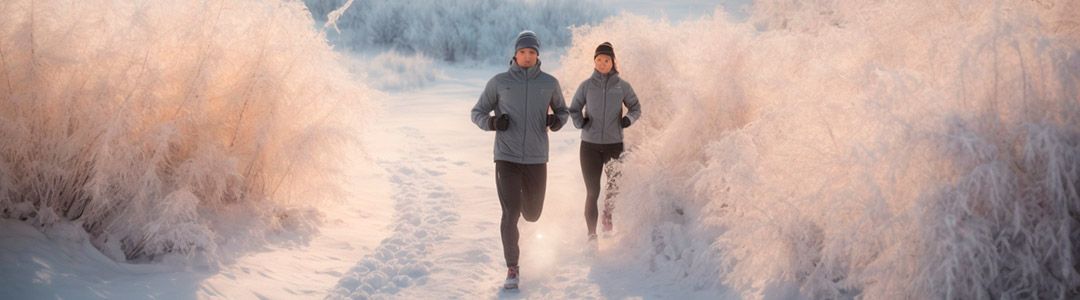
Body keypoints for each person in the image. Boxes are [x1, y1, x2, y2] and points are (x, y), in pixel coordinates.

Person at [470, 30, 569, 290]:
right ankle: (512, 267)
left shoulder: (549, 83)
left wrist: (556, 121)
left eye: (532, 53)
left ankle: (523, 218)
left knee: (533, 214)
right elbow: (477, 112)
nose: (527, 57)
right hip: (507, 157)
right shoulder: (499, 82)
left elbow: (562, 111)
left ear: (538, 56)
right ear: (515, 54)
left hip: (537, 158)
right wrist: (492, 122)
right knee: (511, 212)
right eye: (523, 52)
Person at [568, 42, 641, 241]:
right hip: (589, 146)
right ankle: (591, 234)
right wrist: (579, 121)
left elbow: (636, 108)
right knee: (593, 190)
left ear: (612, 62)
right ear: (594, 61)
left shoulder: (622, 86)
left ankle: (607, 216)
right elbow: (573, 108)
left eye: (606, 60)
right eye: (598, 60)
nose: (602, 63)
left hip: (614, 145)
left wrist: (628, 120)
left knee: (612, 188)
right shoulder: (586, 86)